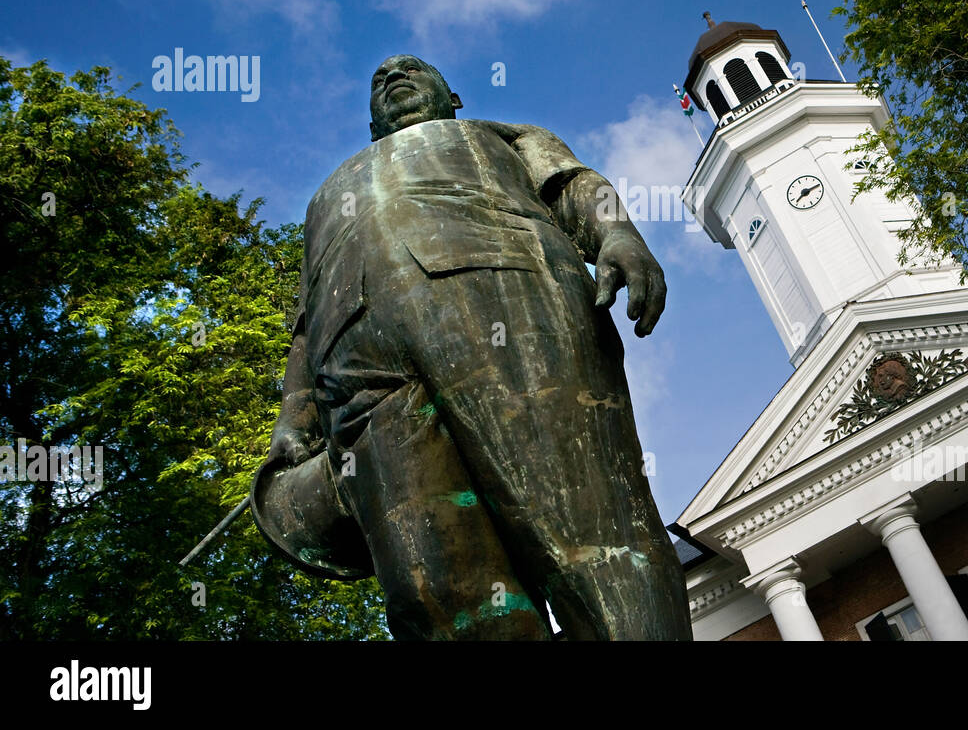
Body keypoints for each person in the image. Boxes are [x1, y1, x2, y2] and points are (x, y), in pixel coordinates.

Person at [253, 54, 691, 640]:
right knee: (432, 591)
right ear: (369, 122)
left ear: (452, 97)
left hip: (506, 301)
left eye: (411, 70)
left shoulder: (495, 136)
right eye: (379, 81)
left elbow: (576, 185)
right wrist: (295, 420)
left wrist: (617, 233)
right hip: (357, 370)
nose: (392, 78)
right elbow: (306, 325)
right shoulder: (325, 199)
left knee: (590, 536)